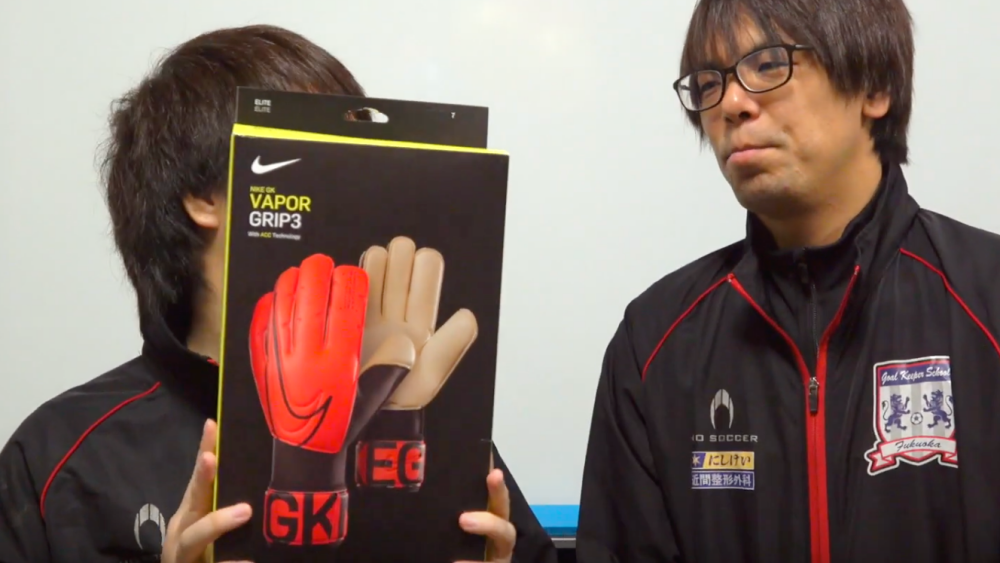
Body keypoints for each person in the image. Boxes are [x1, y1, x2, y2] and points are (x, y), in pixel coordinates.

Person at [0, 25, 557, 563]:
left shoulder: (450, 436)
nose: (355, 177)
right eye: (317, 149)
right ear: (203, 194)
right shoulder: (60, 457)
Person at [576, 0, 1000, 562]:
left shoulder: (987, 299)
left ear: (874, 87)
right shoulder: (652, 342)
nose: (731, 104)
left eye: (768, 64)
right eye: (709, 83)